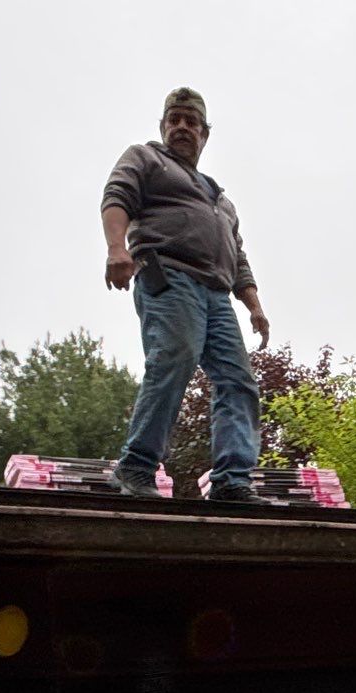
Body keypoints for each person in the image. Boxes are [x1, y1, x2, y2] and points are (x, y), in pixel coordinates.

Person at [100, 87, 273, 504]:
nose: (182, 127)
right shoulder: (147, 158)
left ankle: (232, 479)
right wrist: (116, 248)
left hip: (217, 295)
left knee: (239, 381)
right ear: (163, 126)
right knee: (174, 359)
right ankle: (136, 467)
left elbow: (238, 256)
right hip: (170, 276)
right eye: (174, 120)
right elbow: (117, 195)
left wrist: (254, 306)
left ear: (204, 134)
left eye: (191, 122)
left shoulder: (220, 198)